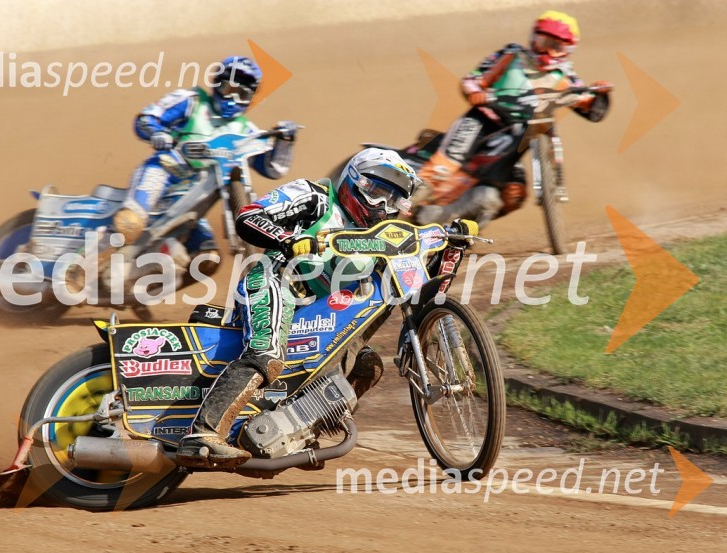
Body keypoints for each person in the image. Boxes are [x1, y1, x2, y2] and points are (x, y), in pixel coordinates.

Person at [176, 148, 420, 468]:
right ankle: (202, 436)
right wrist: (287, 238)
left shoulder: (381, 236)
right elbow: (250, 215)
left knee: (368, 366)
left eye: (393, 199)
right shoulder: (314, 196)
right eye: (376, 192)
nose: (382, 206)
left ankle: (298, 432)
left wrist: (450, 236)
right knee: (267, 353)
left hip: (319, 310)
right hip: (276, 281)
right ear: (353, 180)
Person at [413, 10, 611, 226]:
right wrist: (475, 92)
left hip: (519, 137)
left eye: (555, 46)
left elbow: (591, 109)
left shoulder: (565, 76)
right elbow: (473, 79)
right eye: (543, 41)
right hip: (484, 119)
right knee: (443, 169)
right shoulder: (512, 55)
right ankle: (402, 205)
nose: (546, 50)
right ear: (533, 37)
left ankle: (459, 227)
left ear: (567, 50)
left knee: (513, 195)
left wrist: (600, 95)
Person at [109, 55, 298, 277]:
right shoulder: (192, 101)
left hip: (197, 197)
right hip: (166, 171)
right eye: (230, 89)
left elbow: (272, 168)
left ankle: (138, 287)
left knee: (207, 257)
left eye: (243, 94)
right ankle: (87, 262)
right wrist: (157, 133)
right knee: (131, 222)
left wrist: (285, 141)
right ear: (218, 84)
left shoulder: (246, 131)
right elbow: (147, 118)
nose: (234, 98)